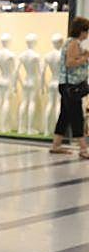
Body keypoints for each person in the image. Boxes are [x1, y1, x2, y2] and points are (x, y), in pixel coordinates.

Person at [50, 16, 89, 157]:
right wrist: (85, 58)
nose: (87, 34)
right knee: (77, 116)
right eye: (86, 31)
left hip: (68, 86)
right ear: (82, 31)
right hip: (71, 86)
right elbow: (70, 63)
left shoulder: (73, 43)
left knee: (65, 116)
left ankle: (56, 145)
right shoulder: (73, 43)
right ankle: (83, 149)